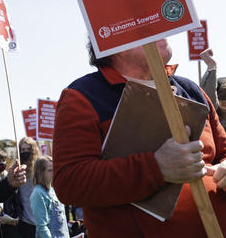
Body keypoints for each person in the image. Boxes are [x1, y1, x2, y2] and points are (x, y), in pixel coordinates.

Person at [53, 39, 226, 237]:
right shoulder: (83, 97)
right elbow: (70, 182)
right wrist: (156, 168)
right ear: (113, 44)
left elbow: (223, 151)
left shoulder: (192, 90)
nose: (159, 30)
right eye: (143, 24)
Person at [2, 137, 39, 238]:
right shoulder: (17, 170)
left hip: (41, 219)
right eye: (23, 150)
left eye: (28, 150)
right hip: (25, 220)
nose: (25, 152)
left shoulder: (39, 169)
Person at [29, 156, 69, 238]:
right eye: (50, 170)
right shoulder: (38, 193)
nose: (54, 172)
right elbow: (42, 226)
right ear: (41, 172)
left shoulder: (53, 190)